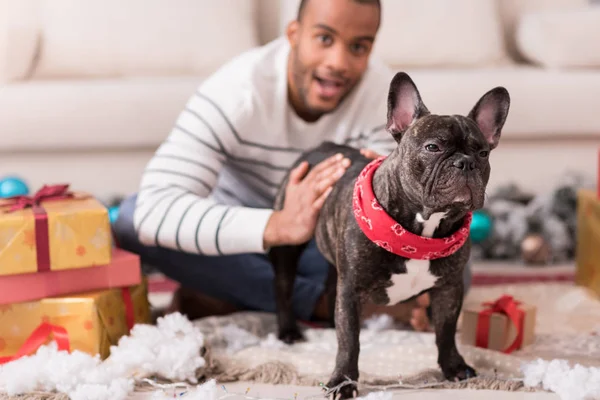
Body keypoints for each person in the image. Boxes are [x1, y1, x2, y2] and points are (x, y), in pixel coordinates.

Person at [114, 0, 472, 332]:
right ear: (293, 35)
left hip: (328, 243)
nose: (339, 62)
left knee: (453, 262)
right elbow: (151, 209)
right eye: (324, 38)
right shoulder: (236, 92)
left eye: (358, 47)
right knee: (129, 221)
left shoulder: (387, 98)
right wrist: (277, 225)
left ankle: (231, 296)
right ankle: (317, 303)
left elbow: (396, 215)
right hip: (241, 237)